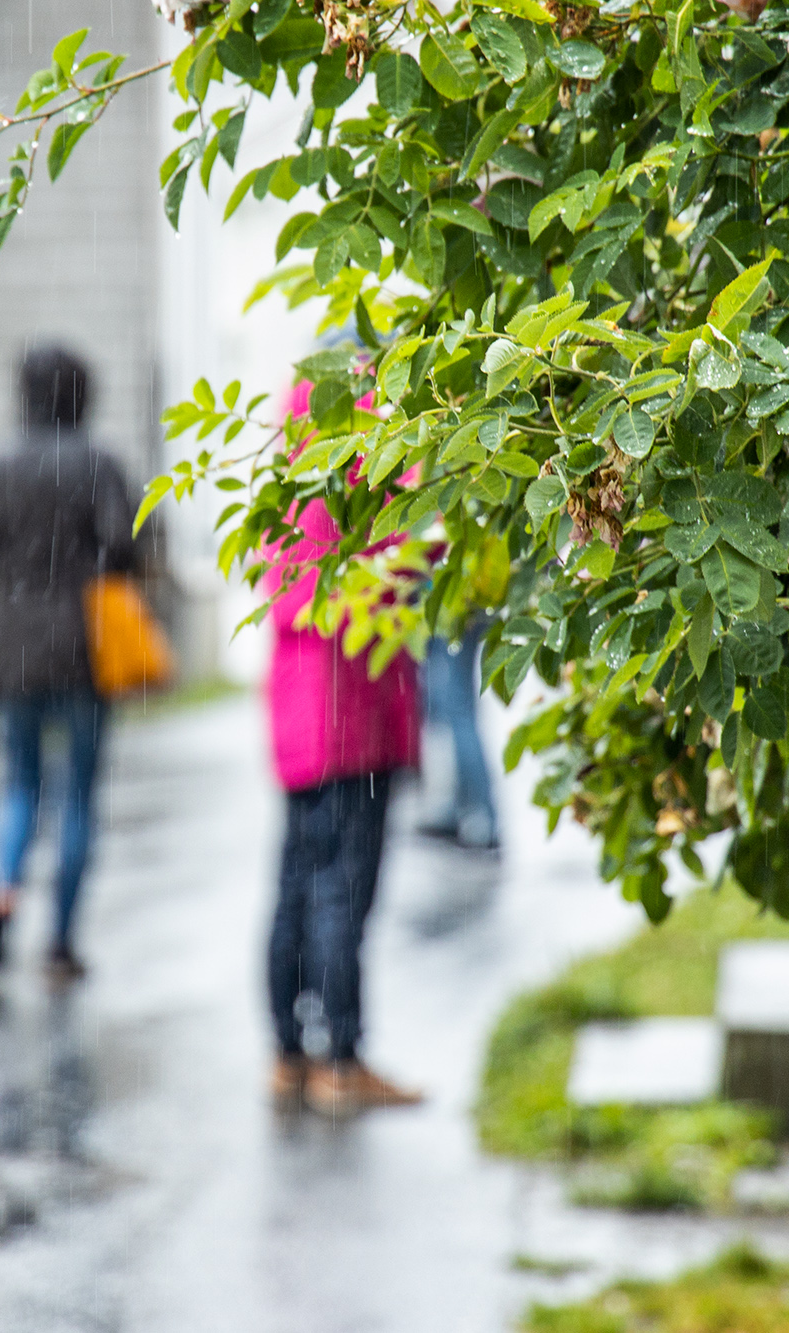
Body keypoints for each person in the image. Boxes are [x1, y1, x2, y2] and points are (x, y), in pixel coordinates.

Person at [0, 345, 137, 981]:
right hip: (85, 653)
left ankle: (3, 890)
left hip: (8, 650)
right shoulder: (100, 466)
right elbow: (123, 550)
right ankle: (62, 942)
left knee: (20, 784)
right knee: (78, 796)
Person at [265, 382, 425, 1118]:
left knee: (297, 886)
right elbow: (411, 560)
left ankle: (288, 1053)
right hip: (351, 716)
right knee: (343, 894)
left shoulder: (286, 484)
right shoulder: (362, 476)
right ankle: (343, 1058)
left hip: (297, 717)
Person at [418, 622, 501, 851]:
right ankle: (459, 811)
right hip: (465, 603)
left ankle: (482, 816)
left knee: (456, 703)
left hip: (453, 603)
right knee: (450, 700)